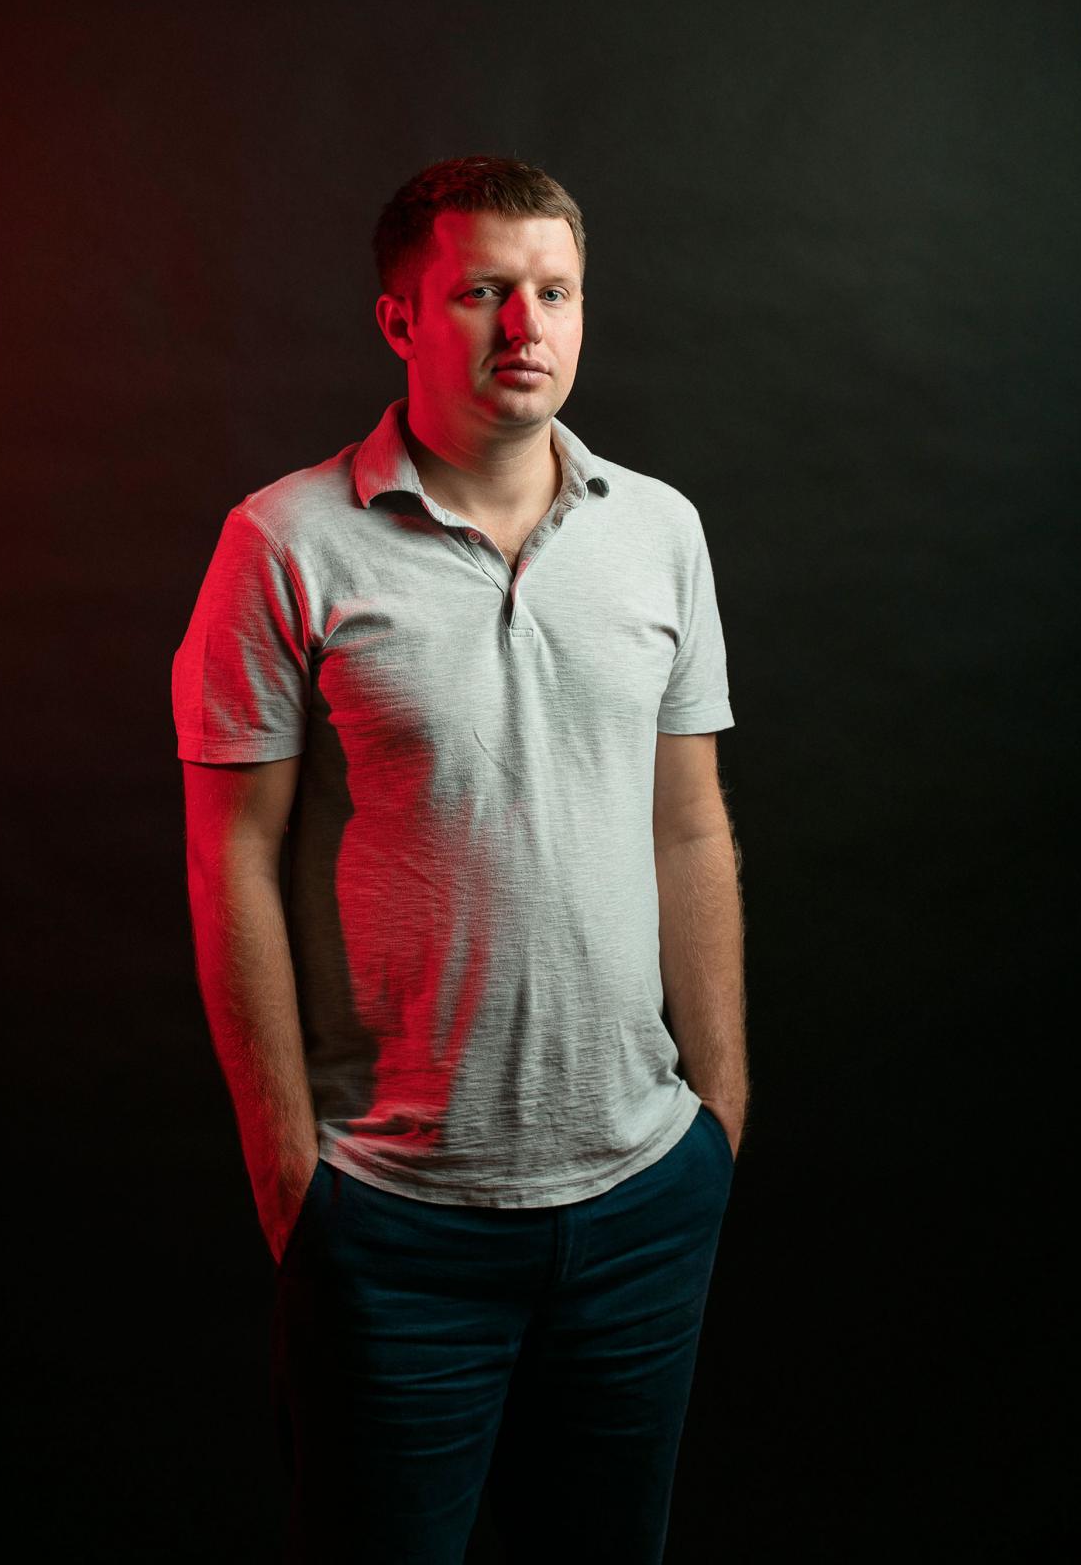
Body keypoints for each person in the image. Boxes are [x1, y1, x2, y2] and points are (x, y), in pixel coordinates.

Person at [172, 155, 748, 1565]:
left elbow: (689, 822)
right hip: (392, 1218)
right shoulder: (284, 542)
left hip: (641, 1198)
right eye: (484, 291)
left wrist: (721, 1111)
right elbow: (233, 859)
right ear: (401, 320)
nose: (526, 326)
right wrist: (290, 1173)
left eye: (555, 292)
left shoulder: (659, 532)